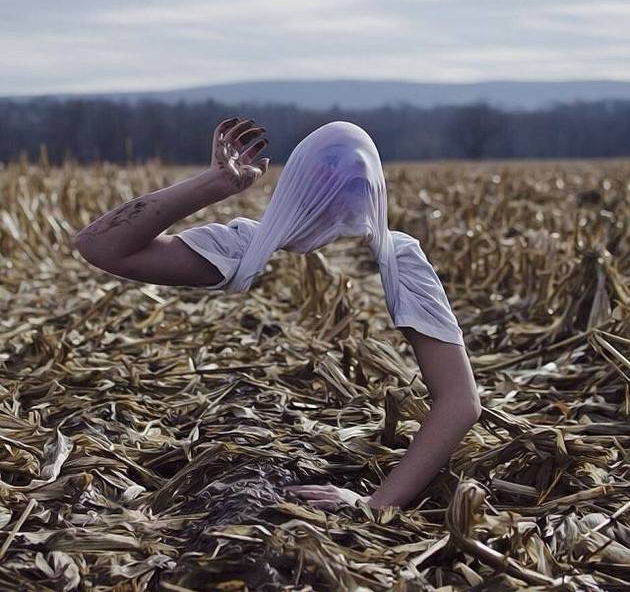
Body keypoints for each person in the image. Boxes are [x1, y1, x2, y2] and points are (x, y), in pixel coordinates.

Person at [74, 116, 481, 511]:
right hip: (219, 476)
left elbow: (460, 402)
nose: (345, 189)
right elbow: (101, 246)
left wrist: (376, 503)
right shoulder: (246, 249)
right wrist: (213, 184)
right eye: (329, 175)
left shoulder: (400, 262)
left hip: (348, 472)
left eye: (357, 178)